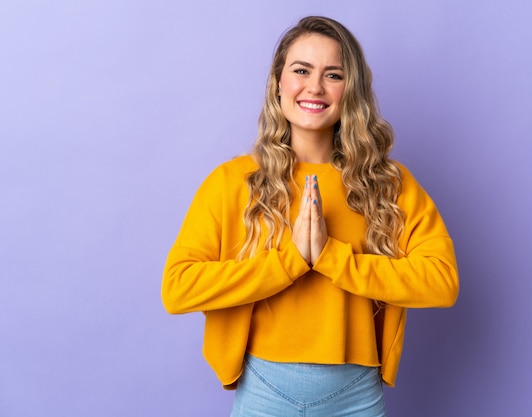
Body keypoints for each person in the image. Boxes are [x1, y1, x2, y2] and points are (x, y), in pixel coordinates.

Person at [162, 15, 459, 417]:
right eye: (301, 70)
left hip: (356, 395)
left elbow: (443, 283)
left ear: (350, 89)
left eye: (333, 74)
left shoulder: (389, 184)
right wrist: (291, 262)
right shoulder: (232, 182)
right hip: (263, 390)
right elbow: (177, 288)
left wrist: (331, 258)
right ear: (278, 83)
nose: (315, 87)